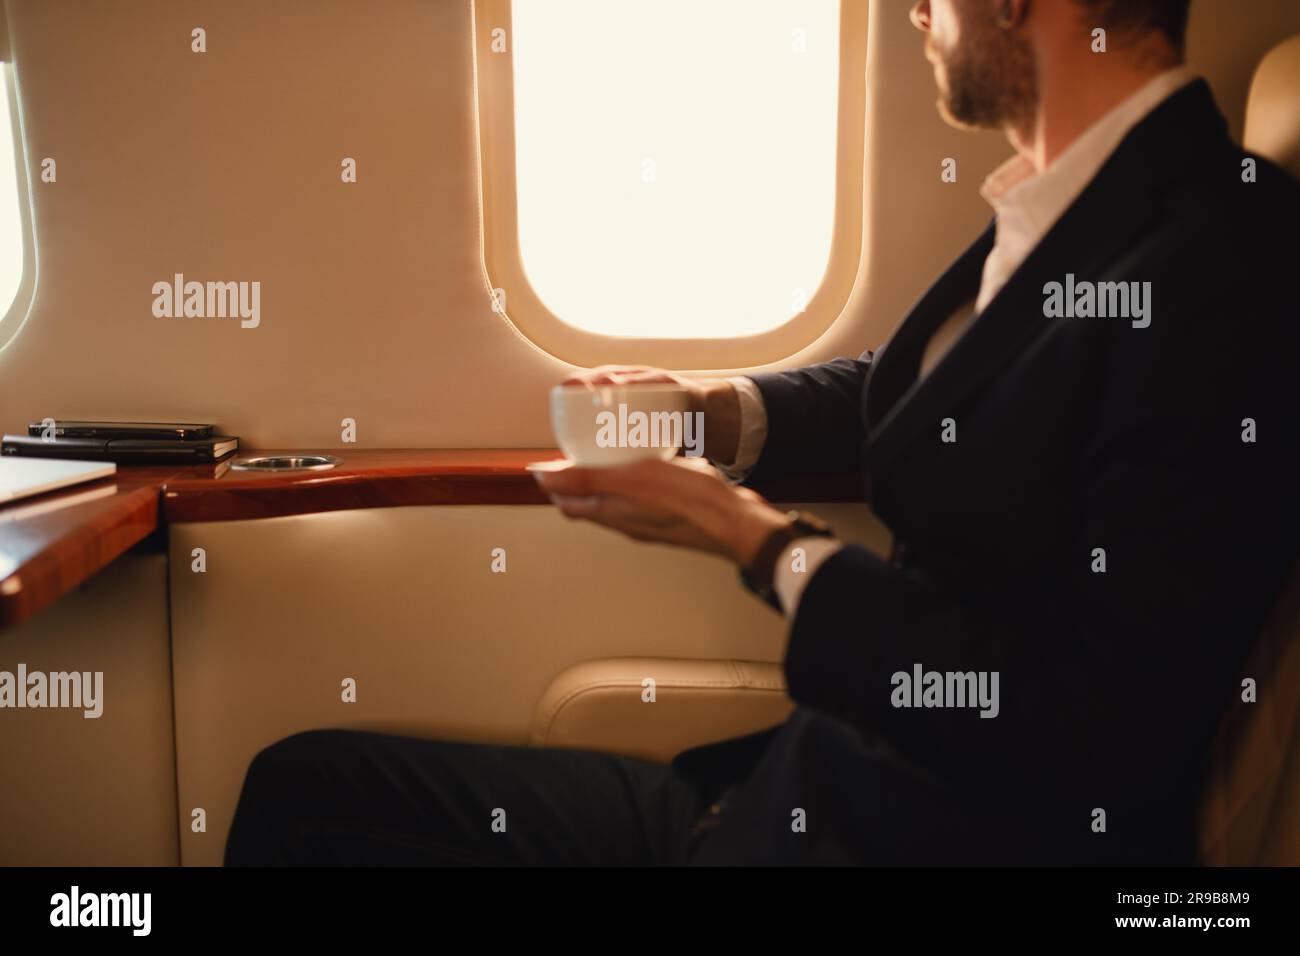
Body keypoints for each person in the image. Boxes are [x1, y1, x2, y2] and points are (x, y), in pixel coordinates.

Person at [225, 0, 1300, 865]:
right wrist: (707, 410)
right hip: (809, 789)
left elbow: (1097, 729)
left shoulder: (1222, 260)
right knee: (306, 783)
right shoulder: (1083, 204)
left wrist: (755, 539)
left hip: (912, 829)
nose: (914, 15)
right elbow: (925, 388)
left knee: (313, 811)